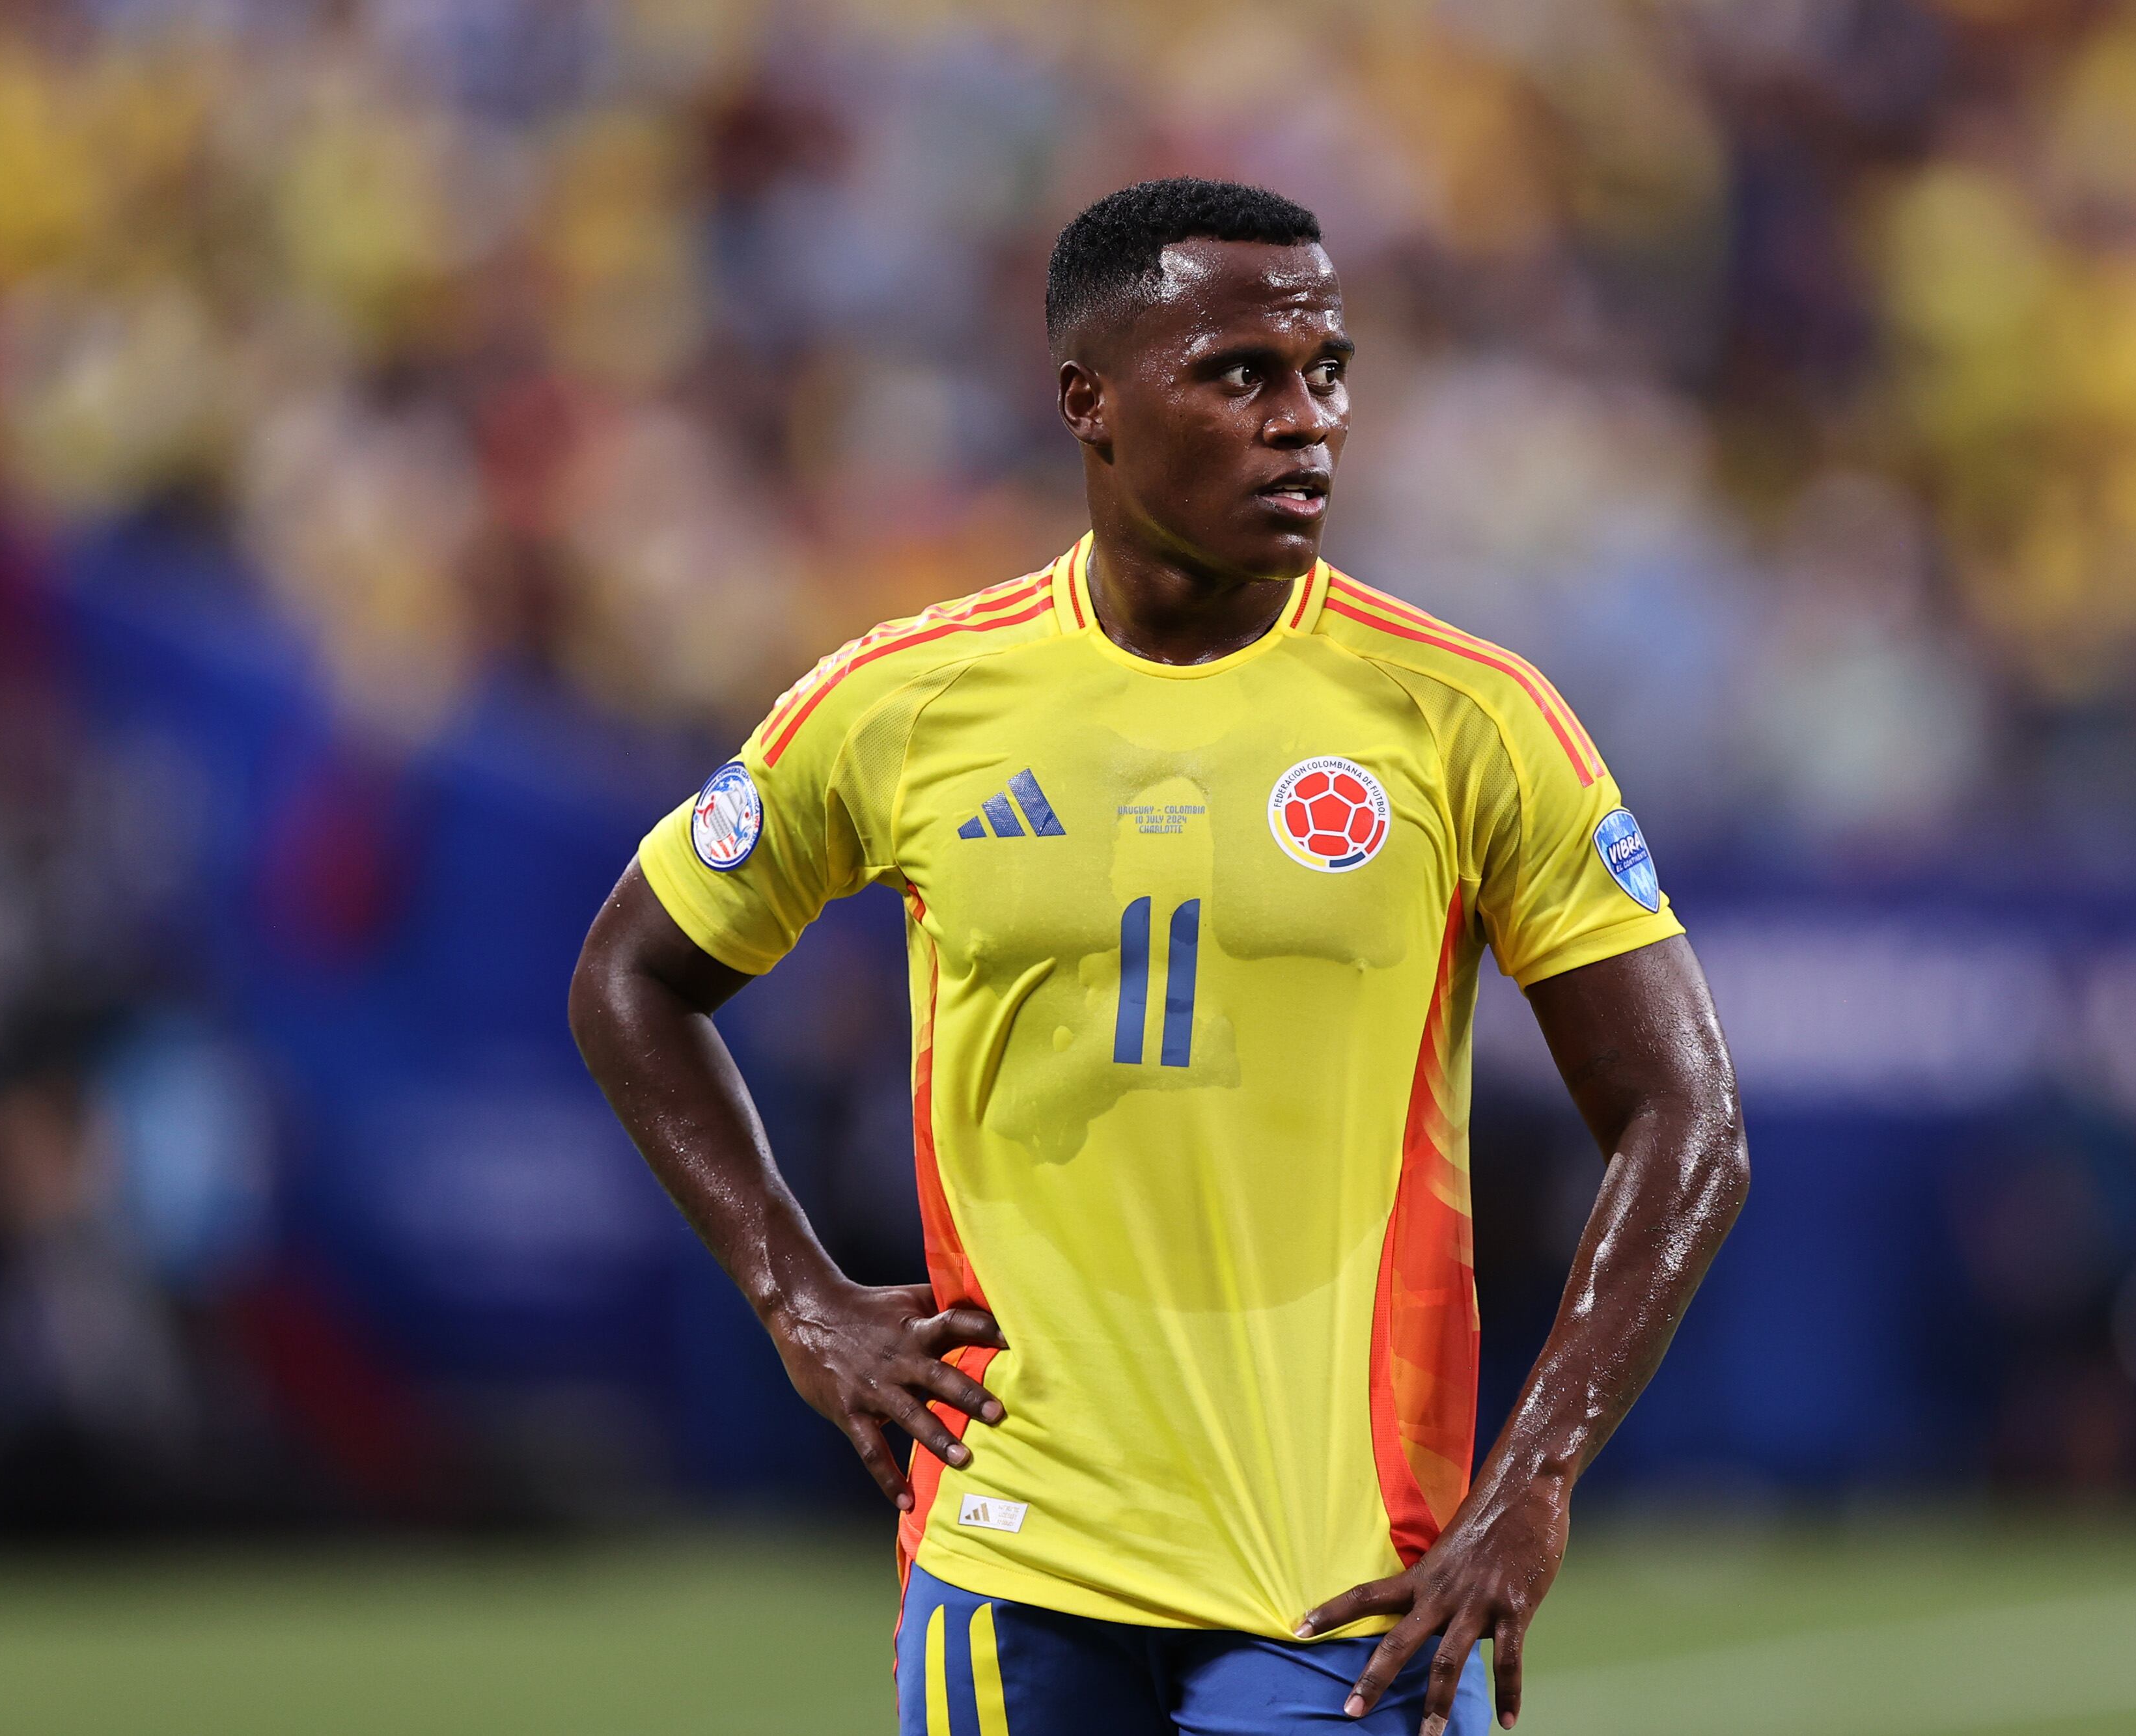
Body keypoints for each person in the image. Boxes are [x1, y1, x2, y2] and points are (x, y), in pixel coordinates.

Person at [570, 178, 1749, 1736]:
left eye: (1325, 370)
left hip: (1342, 1581)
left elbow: (1689, 1119)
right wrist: (797, 1294)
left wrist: (1534, 1476)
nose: (1304, 420)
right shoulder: (908, 702)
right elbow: (631, 976)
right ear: (1090, 403)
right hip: (1010, 1556)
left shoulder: (1466, 719)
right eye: (1240, 373)